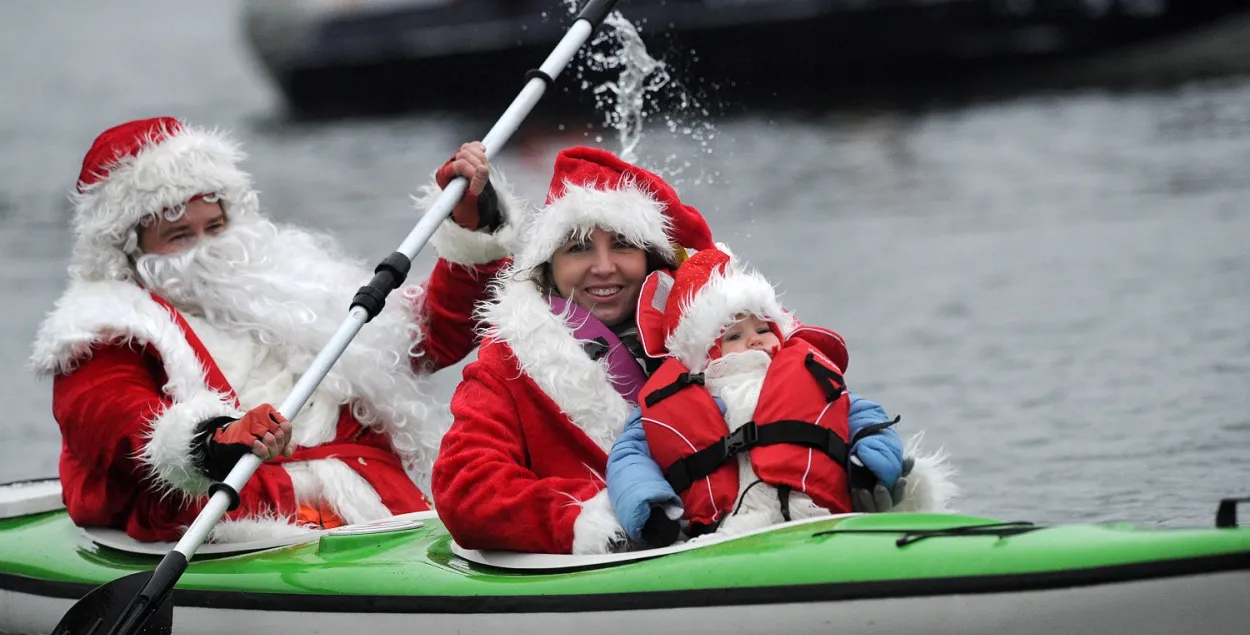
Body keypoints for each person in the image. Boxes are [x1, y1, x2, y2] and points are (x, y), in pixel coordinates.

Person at [27, 118, 519, 543]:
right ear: (130, 251)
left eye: (215, 226)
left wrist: (471, 221)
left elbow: (429, 335)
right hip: (243, 530)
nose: (208, 248)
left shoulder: (291, 284)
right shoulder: (105, 331)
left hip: (383, 516)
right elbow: (117, 427)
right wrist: (216, 439)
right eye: (179, 236)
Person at [606, 247, 954, 548]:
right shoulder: (684, 395)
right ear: (705, 352)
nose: (755, 340)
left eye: (762, 329)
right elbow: (629, 458)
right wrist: (649, 508)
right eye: (734, 335)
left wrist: (872, 465)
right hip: (732, 528)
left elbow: (865, 418)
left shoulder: (805, 374)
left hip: (818, 512)